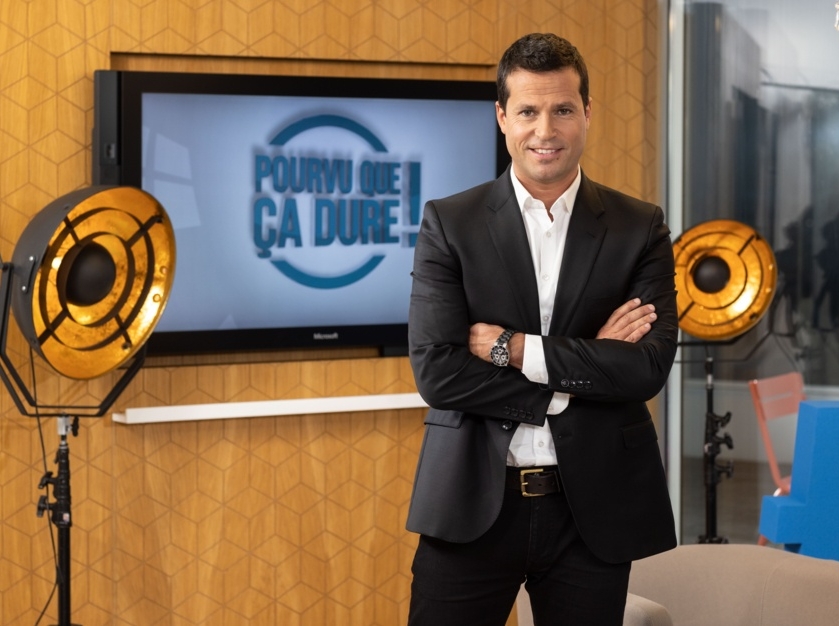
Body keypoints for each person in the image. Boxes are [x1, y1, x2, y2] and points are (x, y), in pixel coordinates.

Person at [405, 33, 678, 626]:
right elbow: (439, 373)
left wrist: (513, 348)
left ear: (588, 113)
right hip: (472, 501)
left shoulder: (639, 227)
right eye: (528, 111)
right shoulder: (450, 223)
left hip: (593, 509)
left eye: (563, 110)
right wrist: (585, 369)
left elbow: (646, 368)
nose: (545, 130)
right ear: (502, 117)